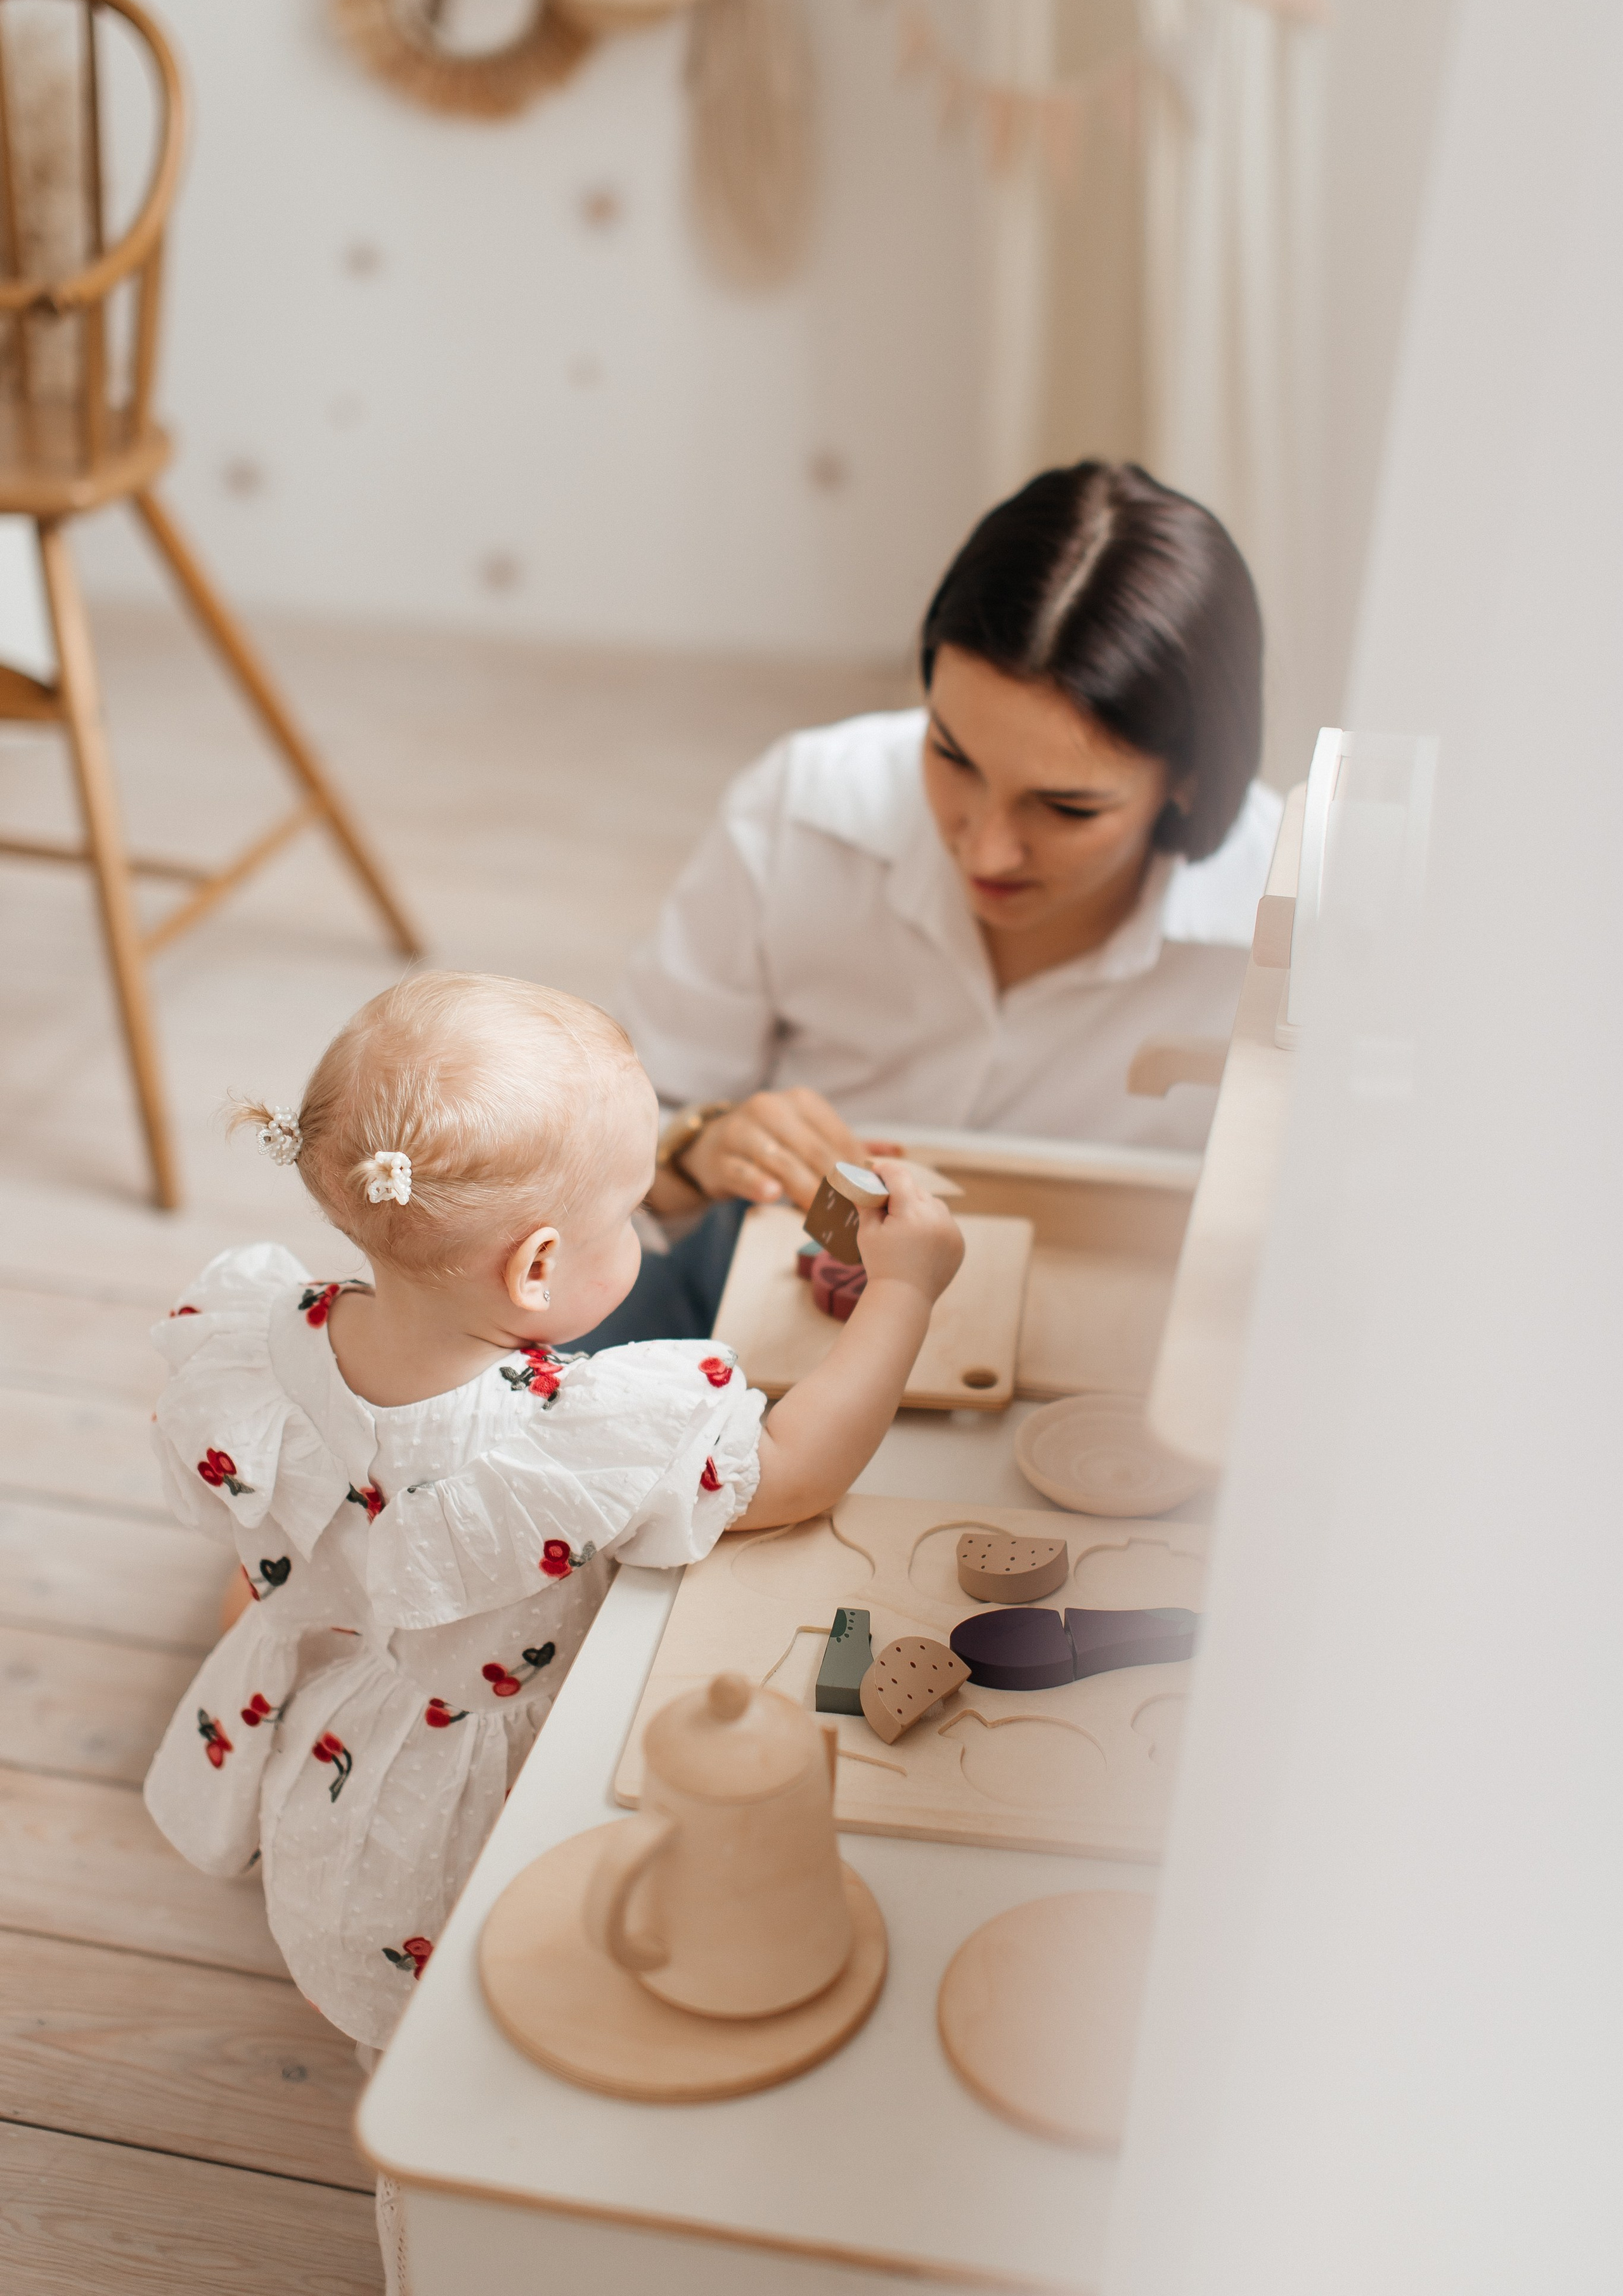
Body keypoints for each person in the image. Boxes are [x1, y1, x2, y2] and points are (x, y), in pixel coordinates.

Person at [141, 970, 962, 2060]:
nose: (640, 1230)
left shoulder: (256, 1339)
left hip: (338, 1713)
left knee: (378, 1920)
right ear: (535, 1267)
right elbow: (798, 1470)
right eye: (625, 1215)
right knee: (500, 1982)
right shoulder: (559, 1436)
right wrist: (905, 1292)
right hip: (489, 1783)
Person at [574, 460, 1281, 1349]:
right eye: (950, 756)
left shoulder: (1280, 924)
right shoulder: (803, 807)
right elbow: (614, 1146)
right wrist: (703, 1147)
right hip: (769, 1287)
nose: (985, 850)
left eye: (1066, 808)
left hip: (1103, 1331)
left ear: (1191, 780)